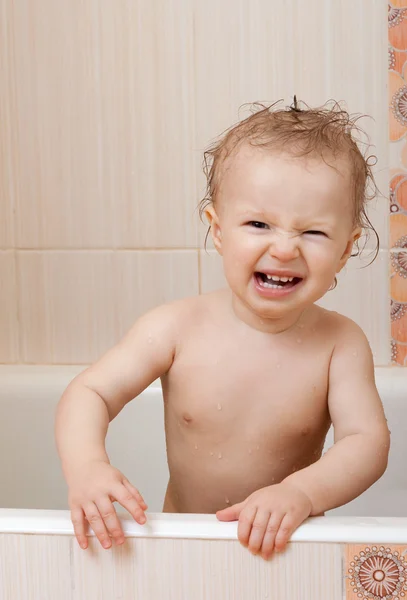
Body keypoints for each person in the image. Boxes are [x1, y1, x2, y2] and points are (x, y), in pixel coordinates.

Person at [55, 99, 390, 561]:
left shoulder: (339, 344)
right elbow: (90, 392)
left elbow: (365, 442)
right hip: (182, 549)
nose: (284, 248)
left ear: (346, 248)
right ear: (218, 230)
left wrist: (302, 493)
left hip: (285, 552)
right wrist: (87, 467)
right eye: (258, 224)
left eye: (313, 232)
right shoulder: (176, 327)